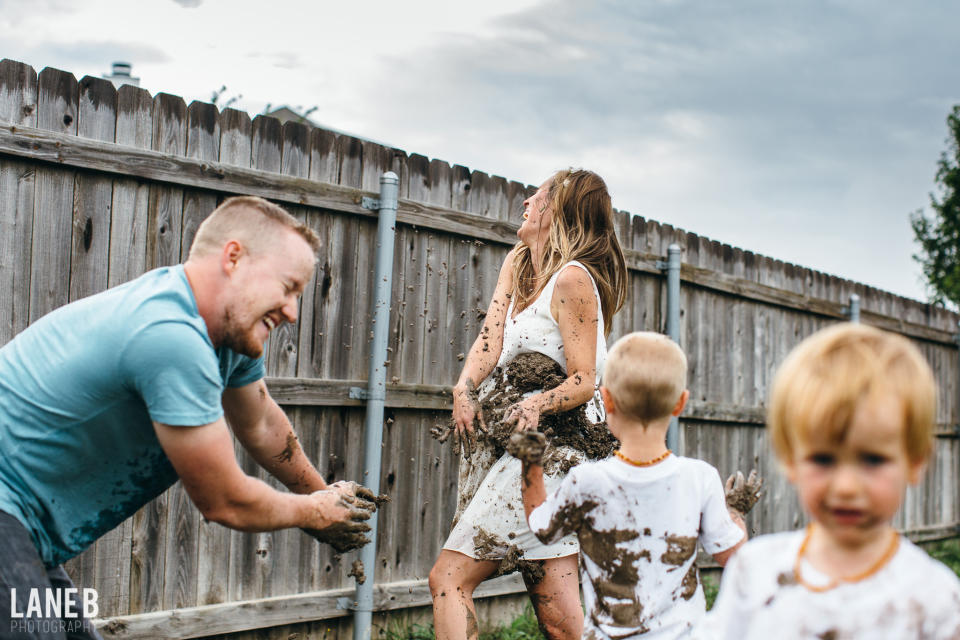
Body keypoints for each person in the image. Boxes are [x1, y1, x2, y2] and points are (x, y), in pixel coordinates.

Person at [0, 196, 376, 640]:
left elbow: (261, 425)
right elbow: (223, 500)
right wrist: (313, 513)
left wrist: (328, 500)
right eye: (288, 287)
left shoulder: (221, 339)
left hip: (28, 531)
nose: (293, 311)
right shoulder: (170, 335)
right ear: (233, 257)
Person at [429, 168, 628, 639]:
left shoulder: (573, 281)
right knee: (558, 619)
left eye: (535, 198)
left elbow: (584, 380)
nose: (525, 204)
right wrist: (465, 387)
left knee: (448, 579)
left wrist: (539, 402)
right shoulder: (519, 265)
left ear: (557, 210)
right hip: (520, 449)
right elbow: (490, 335)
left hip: (559, 452)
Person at [699, 323, 960, 639]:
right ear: (791, 460)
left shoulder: (935, 601)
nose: (846, 487)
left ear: (915, 461)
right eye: (823, 460)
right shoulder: (755, 573)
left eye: (873, 460)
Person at [508, 331, 761, 639]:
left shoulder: (586, 482)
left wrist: (530, 466)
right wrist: (735, 511)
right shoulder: (700, 478)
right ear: (681, 403)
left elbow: (542, 527)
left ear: (608, 400)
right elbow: (738, 560)